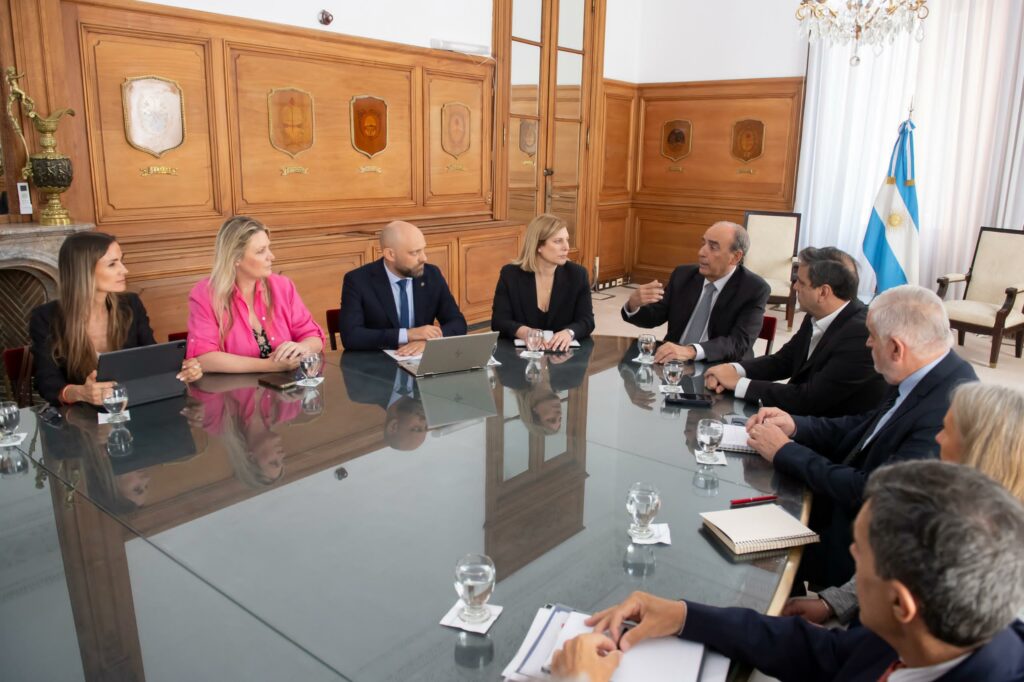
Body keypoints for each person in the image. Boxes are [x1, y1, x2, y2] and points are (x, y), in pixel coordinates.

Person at [552, 460, 1024, 682]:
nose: (848, 562)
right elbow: (823, 652)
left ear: (902, 604)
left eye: (859, 554)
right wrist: (683, 615)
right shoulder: (932, 631)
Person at [745, 285, 977, 587]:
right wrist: (796, 425)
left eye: (872, 336)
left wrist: (784, 451)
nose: (867, 343)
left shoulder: (945, 409)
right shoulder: (925, 367)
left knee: (747, 564)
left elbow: (872, 490)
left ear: (896, 348)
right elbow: (867, 426)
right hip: (836, 502)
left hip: (860, 545)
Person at [786, 381, 1024, 626]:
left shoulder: (987, 546)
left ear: (978, 449)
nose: (937, 438)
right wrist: (831, 604)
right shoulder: (953, 492)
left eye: (947, 430)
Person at [704, 247, 887, 416]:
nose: (795, 287)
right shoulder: (816, 314)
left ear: (823, 292)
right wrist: (733, 369)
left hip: (825, 430)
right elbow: (784, 361)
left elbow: (810, 398)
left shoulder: (861, 334)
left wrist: (738, 383)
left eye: (801, 282)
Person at [30, 231, 202, 406]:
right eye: (112, 264)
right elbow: (47, 382)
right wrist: (80, 393)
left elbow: (151, 357)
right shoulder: (45, 317)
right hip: (80, 415)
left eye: (121, 261)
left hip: (133, 406)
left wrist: (182, 368)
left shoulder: (131, 304)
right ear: (83, 271)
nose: (124, 270)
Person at [186, 216, 325, 373]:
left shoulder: (283, 286)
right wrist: (270, 366)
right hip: (235, 388)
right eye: (261, 251)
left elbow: (314, 337)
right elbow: (204, 358)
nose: (271, 256)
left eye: (268, 248)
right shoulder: (205, 294)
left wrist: (302, 347)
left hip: (288, 386)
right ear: (235, 258)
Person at [621, 221, 769, 363]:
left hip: (720, 367)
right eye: (703, 243)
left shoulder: (754, 289)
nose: (701, 252)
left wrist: (691, 351)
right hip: (673, 364)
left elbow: (738, 343)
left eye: (713, 247)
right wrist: (633, 305)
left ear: (735, 257)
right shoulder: (683, 275)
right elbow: (654, 317)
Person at [339, 220, 466, 354]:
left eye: (423, 249)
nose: (424, 258)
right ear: (390, 254)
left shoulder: (432, 274)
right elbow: (351, 336)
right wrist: (408, 334)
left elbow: (458, 323)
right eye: (415, 252)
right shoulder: (357, 280)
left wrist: (429, 342)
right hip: (378, 361)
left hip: (420, 360)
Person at [490, 214, 594, 352]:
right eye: (558, 241)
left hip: (563, 355)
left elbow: (587, 320)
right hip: (521, 354)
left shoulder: (578, 275)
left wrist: (569, 332)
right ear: (538, 245)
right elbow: (499, 321)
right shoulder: (510, 274)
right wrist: (525, 332)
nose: (566, 247)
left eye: (567, 240)